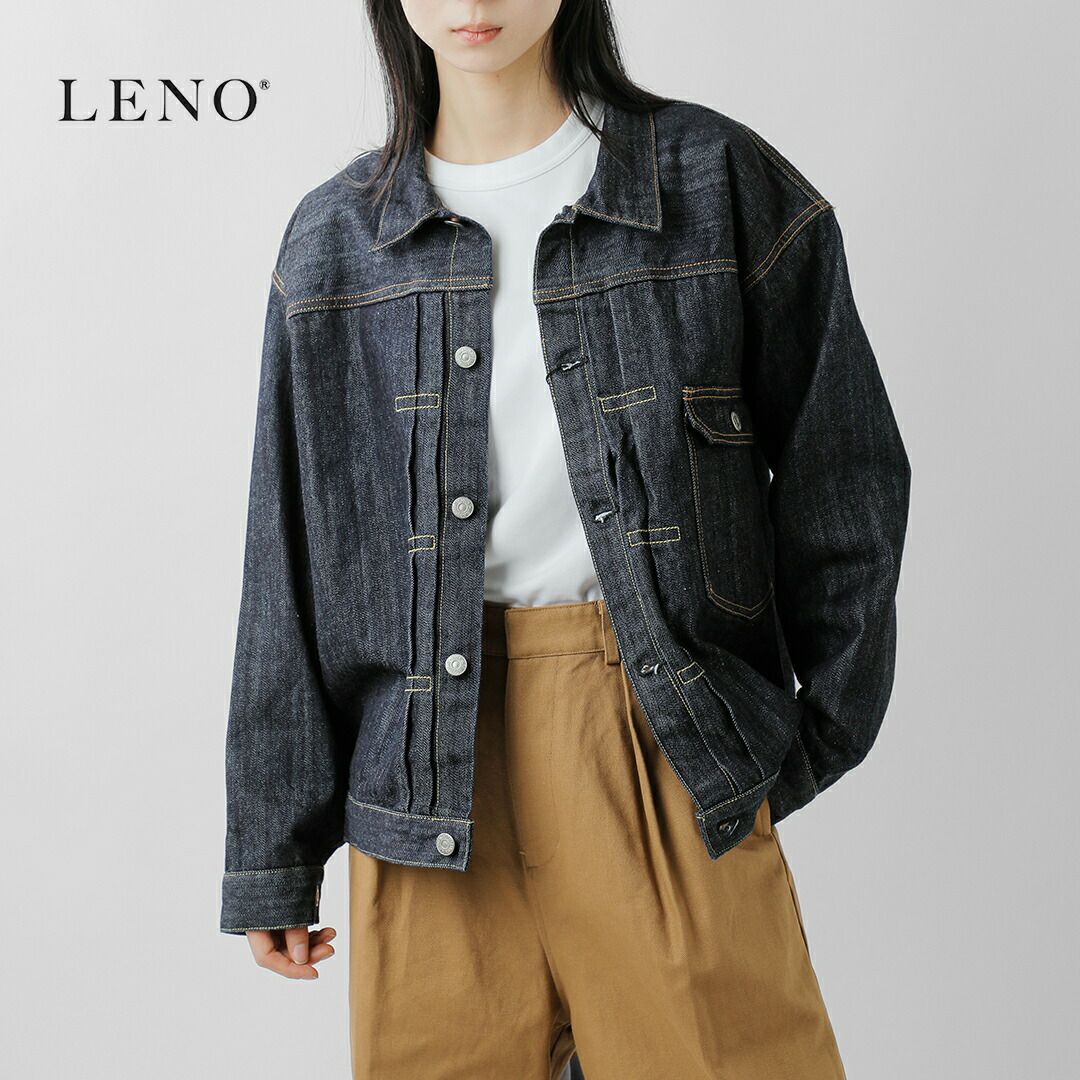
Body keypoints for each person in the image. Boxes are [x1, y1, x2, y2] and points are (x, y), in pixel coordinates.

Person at [219, 1, 911, 1078]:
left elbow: (846, 467)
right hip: (420, 783)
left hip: (654, 738)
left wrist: (803, 735)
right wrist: (274, 848)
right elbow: (289, 555)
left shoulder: (712, 182)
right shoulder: (336, 242)